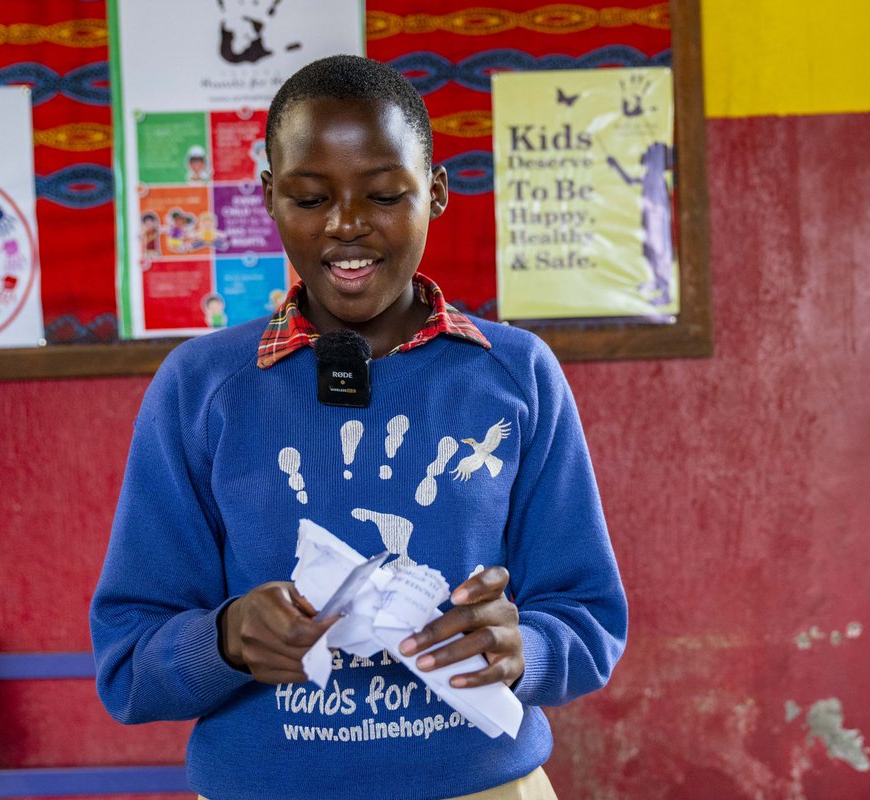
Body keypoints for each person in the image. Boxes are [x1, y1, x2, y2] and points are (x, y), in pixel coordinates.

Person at [90, 55, 626, 800]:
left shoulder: (516, 375)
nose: (346, 223)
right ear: (271, 197)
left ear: (434, 194)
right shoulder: (203, 386)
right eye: (311, 197)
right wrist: (225, 640)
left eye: (383, 194)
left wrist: (520, 650)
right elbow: (128, 662)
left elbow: (588, 619)